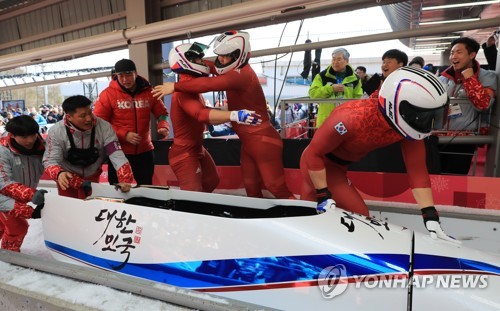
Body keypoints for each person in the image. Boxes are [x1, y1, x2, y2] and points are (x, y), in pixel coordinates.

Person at [300, 67, 458, 243]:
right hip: (318, 165)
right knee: (350, 218)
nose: (429, 123)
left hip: (337, 168)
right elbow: (314, 154)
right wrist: (323, 195)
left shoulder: (408, 125)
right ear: (398, 106)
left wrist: (430, 217)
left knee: (357, 219)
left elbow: (417, 171)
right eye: (425, 116)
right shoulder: (350, 118)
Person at [152, 30, 294, 199]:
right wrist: (233, 115)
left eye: (225, 56)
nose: (220, 61)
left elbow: (210, 82)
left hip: (257, 140)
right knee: (249, 187)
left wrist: (176, 84)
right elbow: (201, 114)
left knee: (273, 187)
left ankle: (302, 220)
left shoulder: (238, 75)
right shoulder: (186, 90)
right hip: (195, 150)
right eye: (219, 56)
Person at [167, 42, 261, 192]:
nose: (202, 62)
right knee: (193, 196)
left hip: (197, 148)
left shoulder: (192, 88)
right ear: (186, 61)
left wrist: (232, 110)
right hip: (184, 152)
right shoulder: (182, 92)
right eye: (198, 59)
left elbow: (203, 109)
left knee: (211, 181)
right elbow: (201, 114)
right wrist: (235, 115)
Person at [94, 58, 170, 186]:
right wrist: (124, 134)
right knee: (118, 189)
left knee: (146, 188)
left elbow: (162, 113)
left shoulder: (149, 92)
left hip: (145, 151)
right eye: (120, 75)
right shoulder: (107, 95)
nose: (124, 79)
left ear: (135, 73)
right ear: (116, 76)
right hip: (117, 152)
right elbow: (99, 123)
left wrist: (163, 126)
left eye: (128, 74)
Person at [43, 95, 134, 199]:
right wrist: (59, 174)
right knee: (69, 211)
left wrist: (125, 179)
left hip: (93, 176)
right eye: (83, 116)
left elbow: (116, 154)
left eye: (90, 112)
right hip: (68, 178)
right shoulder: (56, 132)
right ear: (69, 117)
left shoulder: (104, 127)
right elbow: (50, 161)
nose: (89, 118)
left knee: (93, 209)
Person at [437, 37, 497, 175]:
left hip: (464, 139)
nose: (453, 56)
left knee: (454, 180)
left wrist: (470, 79)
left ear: (472, 55)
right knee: (434, 179)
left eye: (459, 52)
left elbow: (483, 104)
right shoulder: (442, 78)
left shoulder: (487, 77)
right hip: (438, 138)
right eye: (452, 53)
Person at [0, 115, 46, 252]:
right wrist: (32, 198)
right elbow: (4, 183)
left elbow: (54, 164)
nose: (30, 140)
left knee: (2, 226)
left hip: (19, 195)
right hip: (3, 195)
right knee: (18, 227)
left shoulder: (42, 147)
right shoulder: (2, 150)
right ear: (13, 135)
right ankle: (9, 257)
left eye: (32, 135)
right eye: (24, 137)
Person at [308, 48, 363, 127]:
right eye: (333, 59)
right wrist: (330, 89)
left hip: (346, 121)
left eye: (339, 59)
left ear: (347, 61)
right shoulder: (322, 76)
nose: (335, 62)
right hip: (325, 121)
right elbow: (312, 94)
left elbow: (358, 99)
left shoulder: (355, 79)